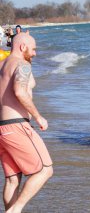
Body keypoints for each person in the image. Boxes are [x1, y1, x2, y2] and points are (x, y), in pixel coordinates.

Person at [0, 33, 53, 213]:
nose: (35, 53)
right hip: (16, 126)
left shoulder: (1, 66)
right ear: (22, 47)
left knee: (12, 179)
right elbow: (20, 92)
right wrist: (38, 117)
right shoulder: (21, 65)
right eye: (34, 48)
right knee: (45, 170)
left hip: (2, 129)